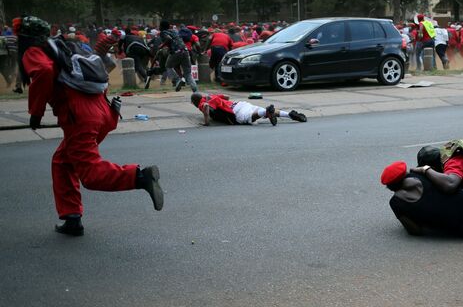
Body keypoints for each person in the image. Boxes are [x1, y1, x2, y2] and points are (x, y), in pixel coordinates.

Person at [15, 15, 164, 236]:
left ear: (24, 37)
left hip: (81, 116)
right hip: (103, 111)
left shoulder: (34, 51)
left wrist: (35, 114)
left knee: (90, 173)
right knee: (62, 161)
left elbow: (45, 73)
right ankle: (72, 217)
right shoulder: (62, 45)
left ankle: (139, 176)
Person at [380, 160, 463, 238]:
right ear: (405, 173)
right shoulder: (420, 174)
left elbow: (415, 231)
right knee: (458, 196)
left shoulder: (396, 203)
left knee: (447, 219)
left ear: (390, 188)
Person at [190, 92, 307, 126]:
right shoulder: (211, 96)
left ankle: (266, 111)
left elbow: (205, 106)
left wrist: (206, 122)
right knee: (259, 111)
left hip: (235, 112)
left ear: (195, 102)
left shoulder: (202, 103)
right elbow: (226, 97)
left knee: (250, 118)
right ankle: (290, 115)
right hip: (239, 104)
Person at [159, 20, 197, 92]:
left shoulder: (163, 32)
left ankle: (177, 80)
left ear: (162, 27)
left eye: (160, 26)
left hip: (176, 51)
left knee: (168, 66)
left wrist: (161, 46)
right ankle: (194, 88)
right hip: (185, 50)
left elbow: (168, 39)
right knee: (188, 72)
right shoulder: (174, 31)